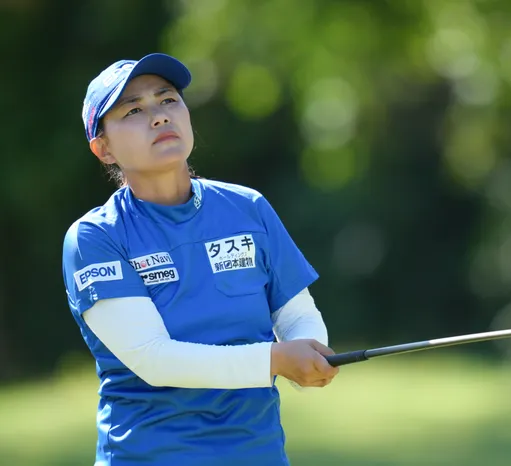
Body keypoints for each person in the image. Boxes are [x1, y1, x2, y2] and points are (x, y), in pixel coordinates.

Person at [62, 53, 340, 466]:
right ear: (103, 148)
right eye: (134, 110)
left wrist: (311, 354)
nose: (159, 116)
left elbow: (296, 314)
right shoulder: (95, 237)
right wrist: (276, 359)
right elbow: (154, 358)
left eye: (168, 100)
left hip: (258, 454)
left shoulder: (248, 208)